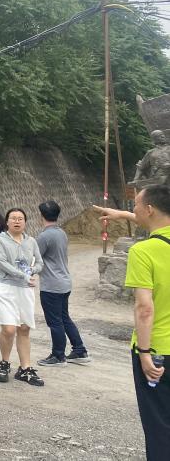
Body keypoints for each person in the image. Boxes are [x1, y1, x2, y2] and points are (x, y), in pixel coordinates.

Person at [95, 186, 169, 460]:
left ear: (149, 209)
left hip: (159, 351)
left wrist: (145, 353)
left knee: (159, 426)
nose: (133, 209)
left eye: (136, 205)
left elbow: (145, 308)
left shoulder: (144, 251)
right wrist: (122, 214)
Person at [0, 208, 44, 386]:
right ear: (7, 222)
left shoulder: (31, 241)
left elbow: (40, 262)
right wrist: (23, 274)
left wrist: (32, 270)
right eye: (13, 218)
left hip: (25, 289)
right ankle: (4, 363)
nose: (17, 221)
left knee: (24, 328)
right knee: (9, 329)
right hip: (5, 286)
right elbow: (1, 262)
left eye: (20, 218)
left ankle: (25, 369)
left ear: (25, 222)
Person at [35, 200, 90, 367]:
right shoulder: (62, 233)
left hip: (51, 285)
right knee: (64, 318)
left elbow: (34, 258)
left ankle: (58, 355)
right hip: (64, 282)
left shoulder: (44, 236)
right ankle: (79, 350)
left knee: (55, 322)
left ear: (41, 216)